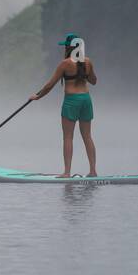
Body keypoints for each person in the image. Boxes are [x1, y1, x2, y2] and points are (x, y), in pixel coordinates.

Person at [29, 33, 97, 177]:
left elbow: (49, 85)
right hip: (86, 99)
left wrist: (37, 97)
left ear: (68, 48)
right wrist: (85, 71)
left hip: (71, 101)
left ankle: (66, 173)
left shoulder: (65, 64)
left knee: (68, 137)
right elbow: (94, 81)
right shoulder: (88, 62)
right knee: (87, 136)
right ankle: (93, 171)